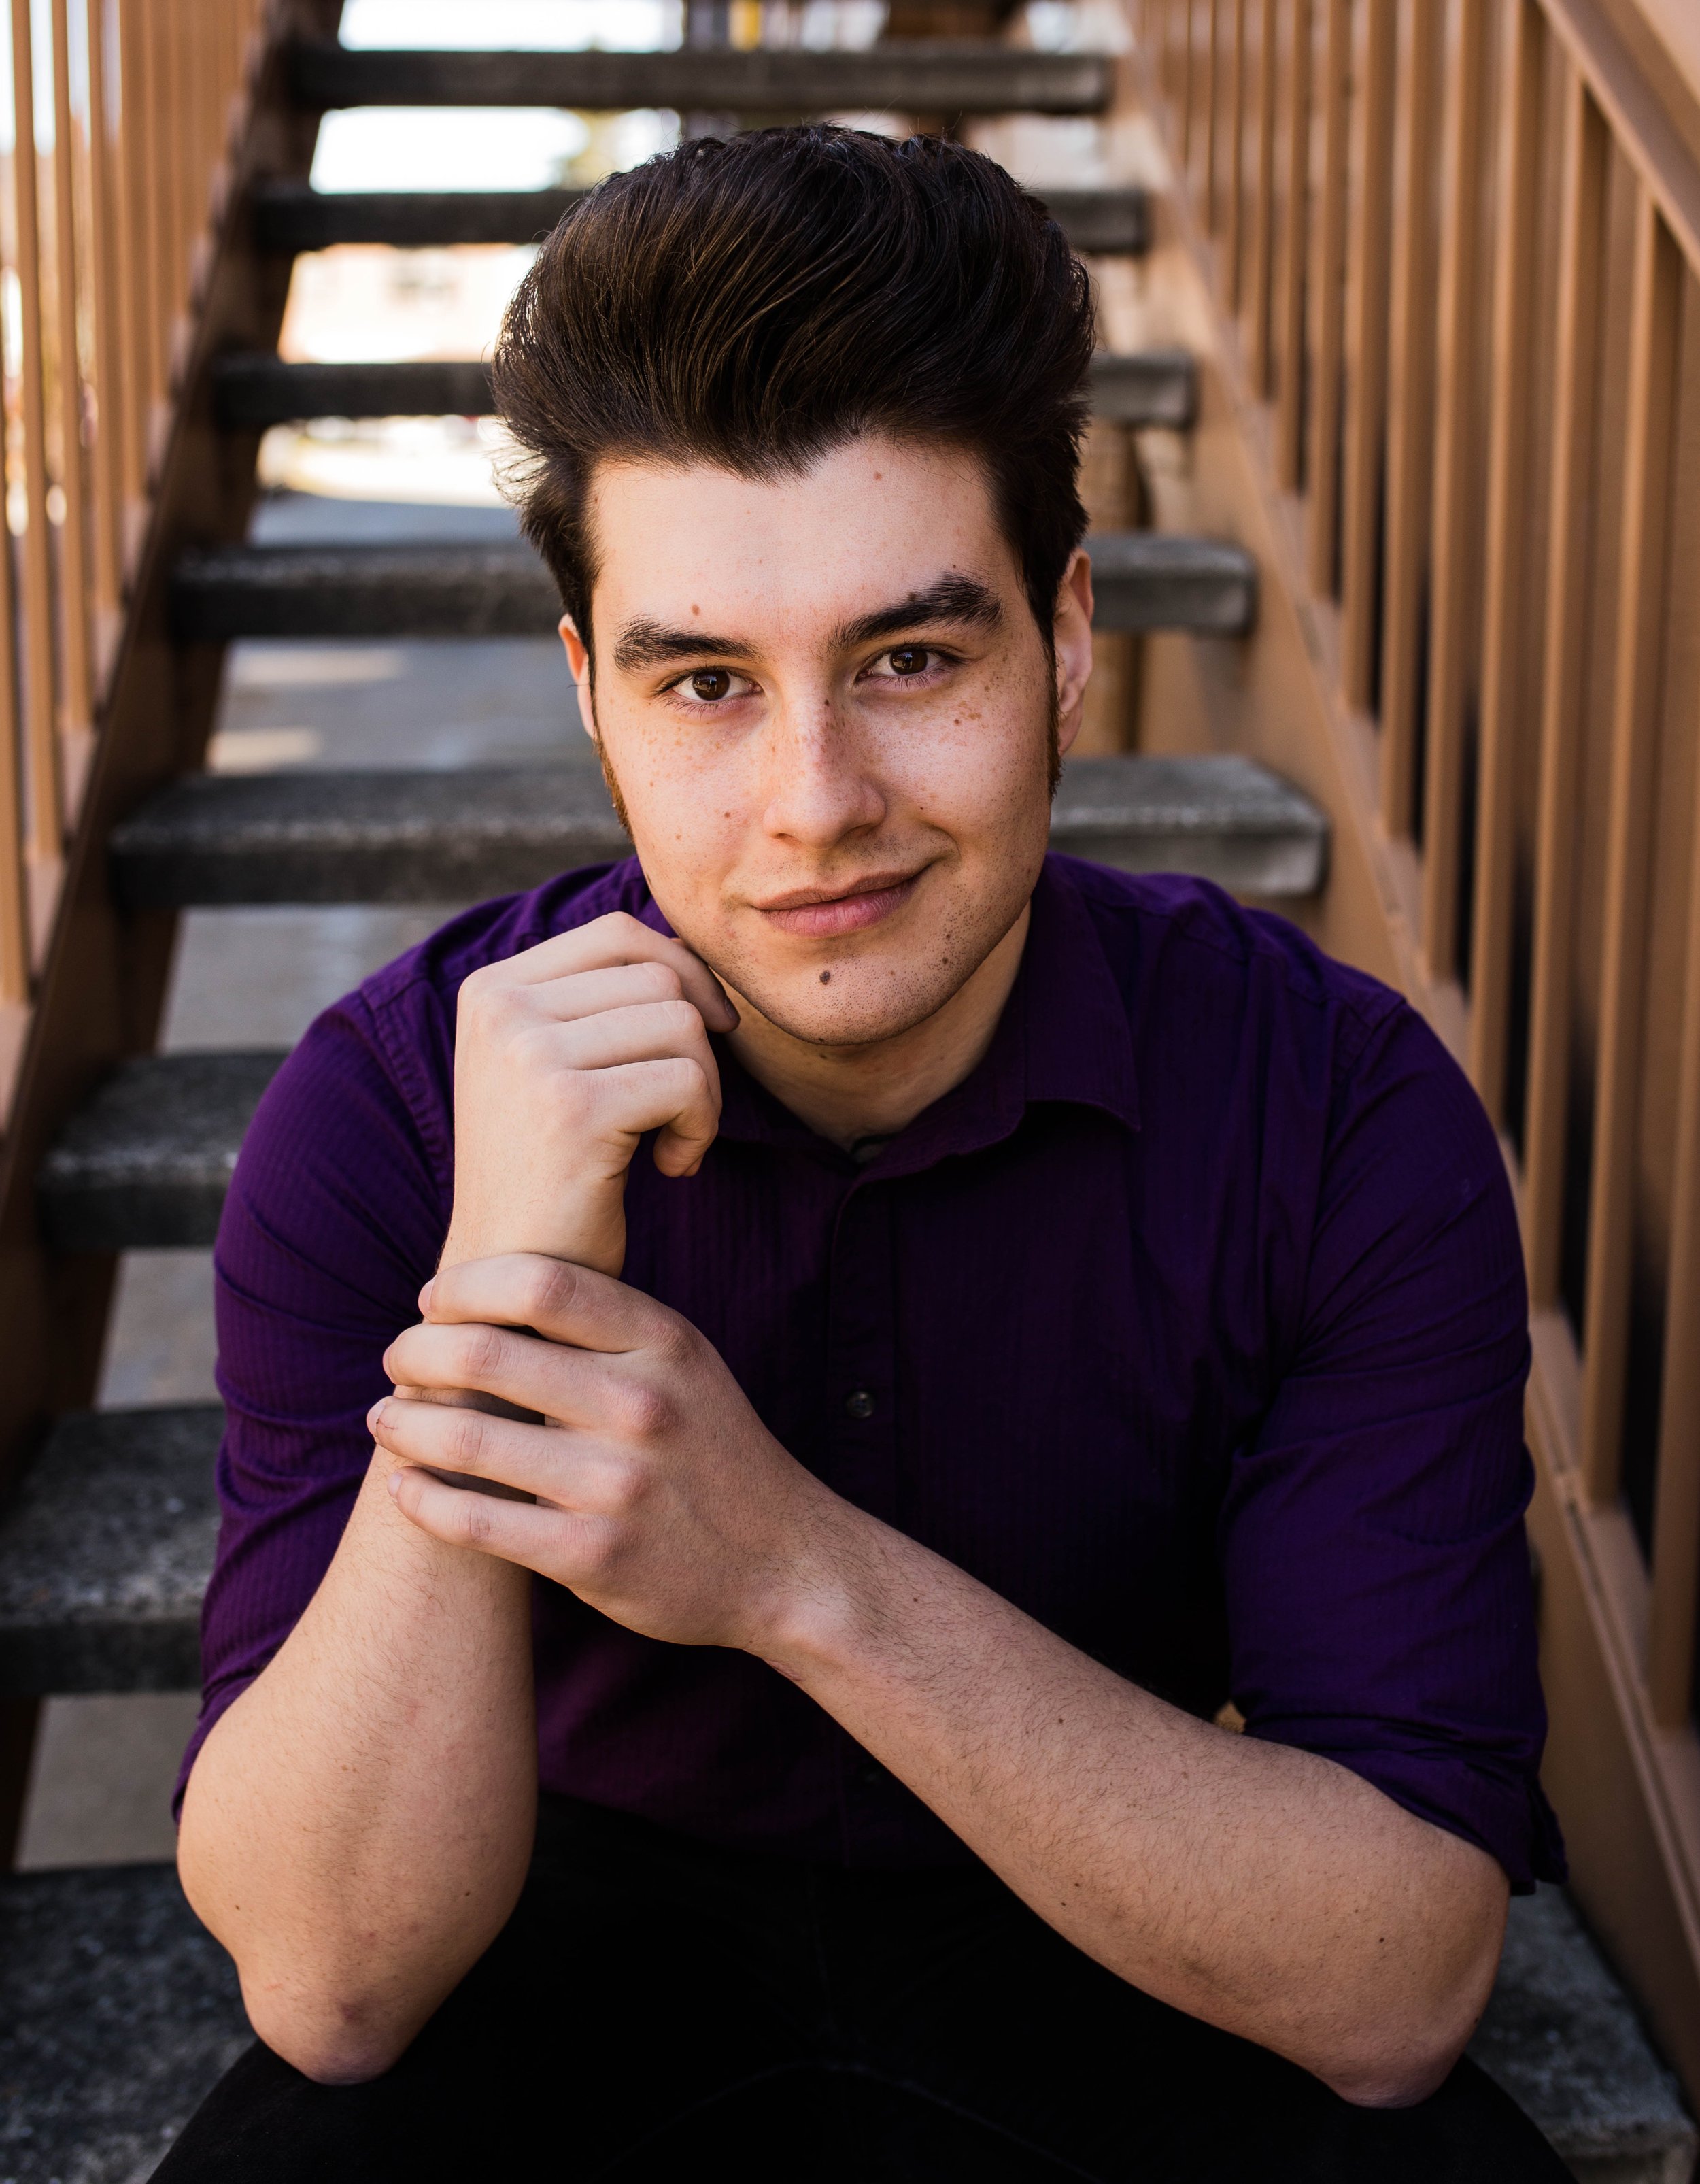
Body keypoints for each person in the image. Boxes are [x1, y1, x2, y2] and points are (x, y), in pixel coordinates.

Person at [162, 127, 1569, 2181]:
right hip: (565, 1944)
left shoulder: (1330, 1107)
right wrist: (502, 1283)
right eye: (706, 684)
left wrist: (783, 1567)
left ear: (1067, 638)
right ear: (590, 697)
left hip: (1126, 1901)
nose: (815, 802)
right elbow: (334, 1983)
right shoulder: (390, 1105)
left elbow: (1393, 1991)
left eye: (911, 660)